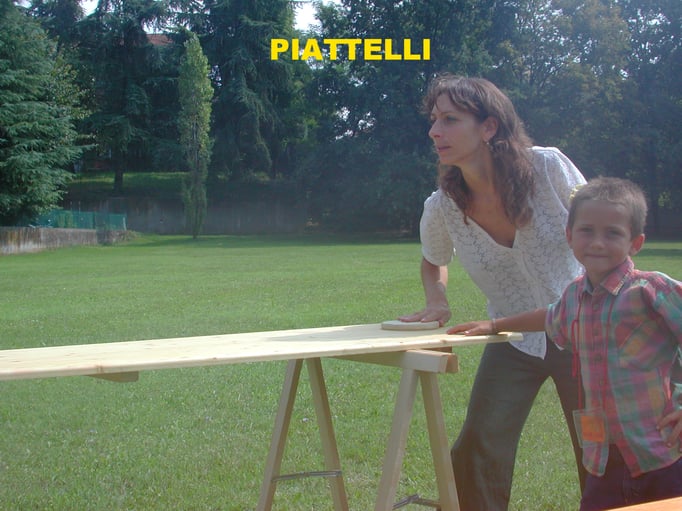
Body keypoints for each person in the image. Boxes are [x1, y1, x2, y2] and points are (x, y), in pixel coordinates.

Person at [399, 74, 587, 510]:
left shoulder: (548, 168)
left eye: (450, 119)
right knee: (479, 446)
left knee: (601, 445)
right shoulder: (443, 206)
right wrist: (437, 299)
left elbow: (603, 219)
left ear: (489, 126)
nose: (434, 131)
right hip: (513, 339)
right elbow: (432, 259)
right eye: (434, 120)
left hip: (584, 332)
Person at [449, 177, 682, 511]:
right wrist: (496, 325)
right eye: (587, 231)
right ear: (569, 236)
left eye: (612, 233)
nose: (597, 242)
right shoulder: (574, 296)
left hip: (662, 455)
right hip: (603, 462)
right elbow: (550, 316)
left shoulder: (650, 291)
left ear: (636, 242)